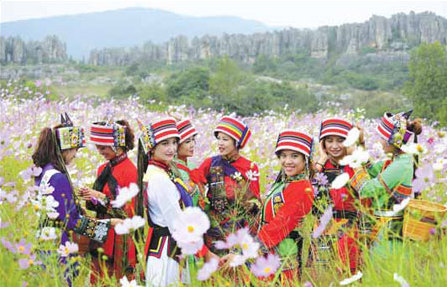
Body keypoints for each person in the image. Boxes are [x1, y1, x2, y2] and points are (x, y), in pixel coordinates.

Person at [32, 113, 121, 286]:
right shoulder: (58, 177)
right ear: (66, 149)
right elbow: (72, 221)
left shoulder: (44, 172)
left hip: (45, 240)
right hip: (57, 245)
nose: (75, 155)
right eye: (75, 150)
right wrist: (108, 224)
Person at [138, 117, 215, 287]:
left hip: (168, 249)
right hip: (167, 253)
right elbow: (177, 225)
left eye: (174, 142)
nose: (172, 148)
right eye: (165, 143)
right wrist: (207, 254)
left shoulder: (160, 172)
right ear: (152, 147)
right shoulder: (159, 179)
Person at [348, 111, 422, 253]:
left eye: (382, 138)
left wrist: (354, 160)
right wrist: (360, 144)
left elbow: (366, 189)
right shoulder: (397, 160)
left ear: (393, 140)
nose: (379, 141)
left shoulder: (400, 166)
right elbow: (371, 169)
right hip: (384, 228)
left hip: (390, 232)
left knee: (381, 269)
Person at [79, 120, 137, 283]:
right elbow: (97, 205)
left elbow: (129, 211)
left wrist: (100, 197)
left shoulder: (131, 172)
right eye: (97, 147)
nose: (99, 151)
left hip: (120, 235)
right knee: (98, 276)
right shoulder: (103, 169)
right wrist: (89, 197)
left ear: (117, 145)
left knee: (116, 278)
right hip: (101, 230)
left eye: (102, 147)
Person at [193, 116, 260, 253]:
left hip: (239, 228)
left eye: (225, 139)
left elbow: (255, 200)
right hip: (215, 227)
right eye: (219, 139)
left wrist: (250, 206)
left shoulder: (250, 167)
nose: (220, 143)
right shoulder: (210, 163)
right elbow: (194, 183)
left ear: (237, 143)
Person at [313, 118, 361, 273]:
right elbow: (307, 188)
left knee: (348, 272)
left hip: (349, 227)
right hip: (322, 227)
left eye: (340, 141)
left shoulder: (354, 165)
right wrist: (322, 158)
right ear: (323, 144)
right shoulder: (320, 165)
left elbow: (366, 188)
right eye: (329, 141)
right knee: (324, 273)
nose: (334, 146)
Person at [172, 119, 205, 209]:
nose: (192, 145)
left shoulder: (191, 166)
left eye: (193, 140)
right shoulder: (173, 170)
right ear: (176, 146)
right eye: (187, 142)